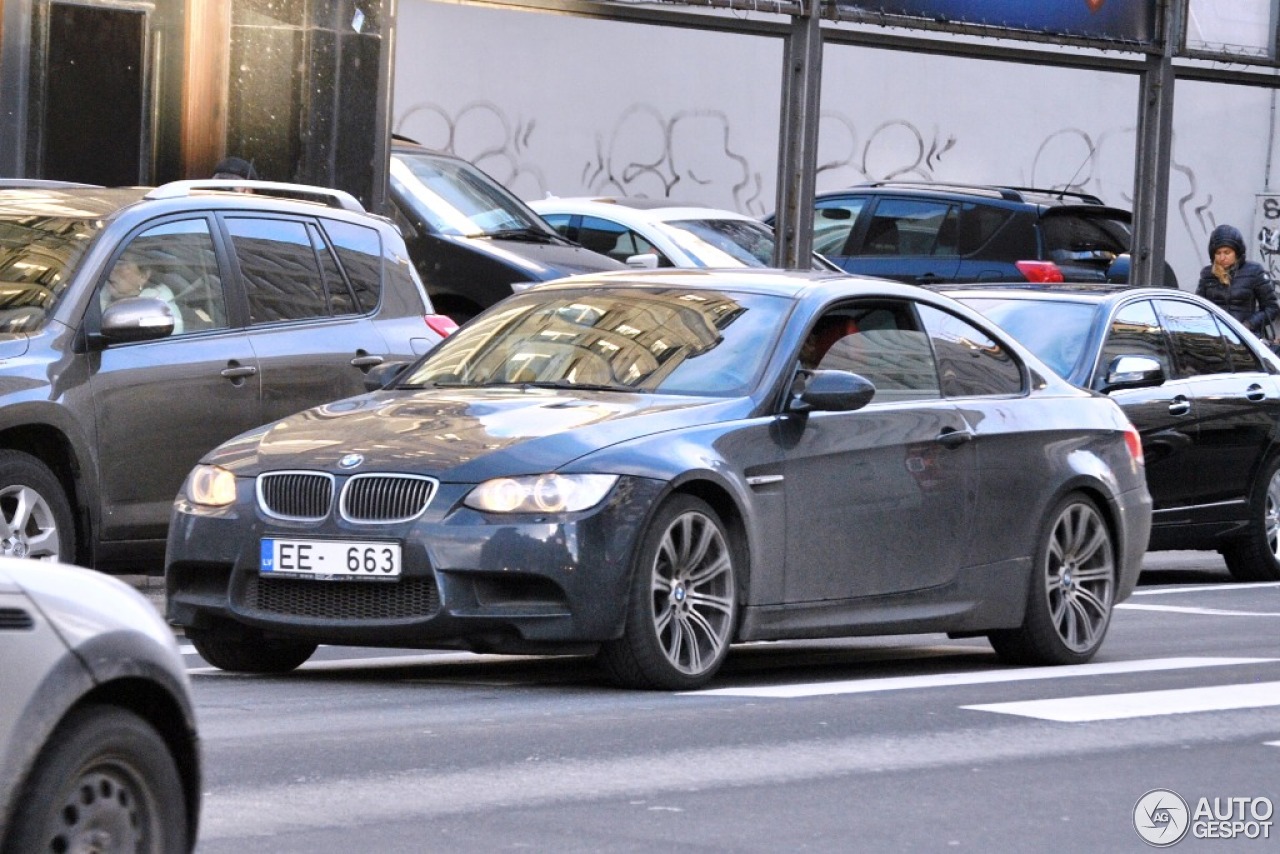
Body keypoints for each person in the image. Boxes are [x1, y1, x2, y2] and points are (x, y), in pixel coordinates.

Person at [1196, 224, 1279, 337]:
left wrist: (1249, 324)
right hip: (1215, 338)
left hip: (1246, 339)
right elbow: (1198, 308)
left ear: (1237, 252)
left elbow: (1272, 308)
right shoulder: (1207, 274)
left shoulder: (1254, 271)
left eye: (1227, 252)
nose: (1222, 257)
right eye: (1218, 253)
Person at [100, 259, 185, 335]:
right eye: (113, 261)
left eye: (122, 264)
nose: (112, 268)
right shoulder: (96, 292)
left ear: (143, 276)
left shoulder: (158, 311)